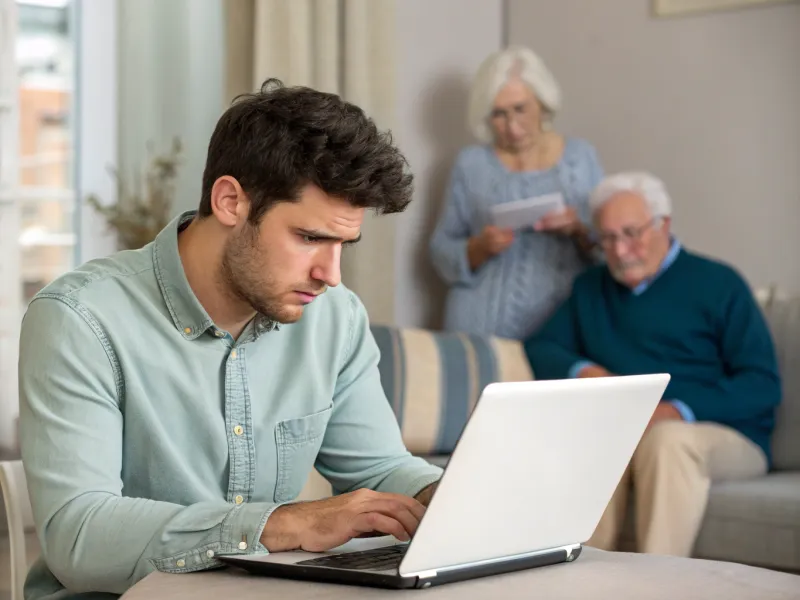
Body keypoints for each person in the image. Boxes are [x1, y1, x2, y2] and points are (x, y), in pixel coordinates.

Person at [18, 79, 443, 599]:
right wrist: (281, 525)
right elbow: (79, 535)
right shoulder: (80, 319)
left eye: (343, 244)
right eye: (310, 238)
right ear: (229, 201)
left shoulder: (336, 319)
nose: (330, 274)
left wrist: (447, 496)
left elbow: (379, 469)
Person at [523, 172, 781, 556]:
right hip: (629, 431)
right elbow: (541, 347)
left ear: (664, 224)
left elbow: (762, 385)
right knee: (600, 436)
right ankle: (582, 582)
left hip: (723, 434)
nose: (621, 250)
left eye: (632, 233)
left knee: (666, 440)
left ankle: (658, 586)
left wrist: (674, 410)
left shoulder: (719, 283)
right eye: (608, 238)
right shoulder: (591, 288)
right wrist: (588, 372)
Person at [429, 46, 604, 340]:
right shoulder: (471, 164)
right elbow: (440, 250)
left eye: (520, 109)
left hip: (564, 328)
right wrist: (480, 247)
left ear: (542, 102)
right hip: (479, 326)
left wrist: (578, 230)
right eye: (499, 114)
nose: (512, 126)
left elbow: (610, 248)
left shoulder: (580, 158)